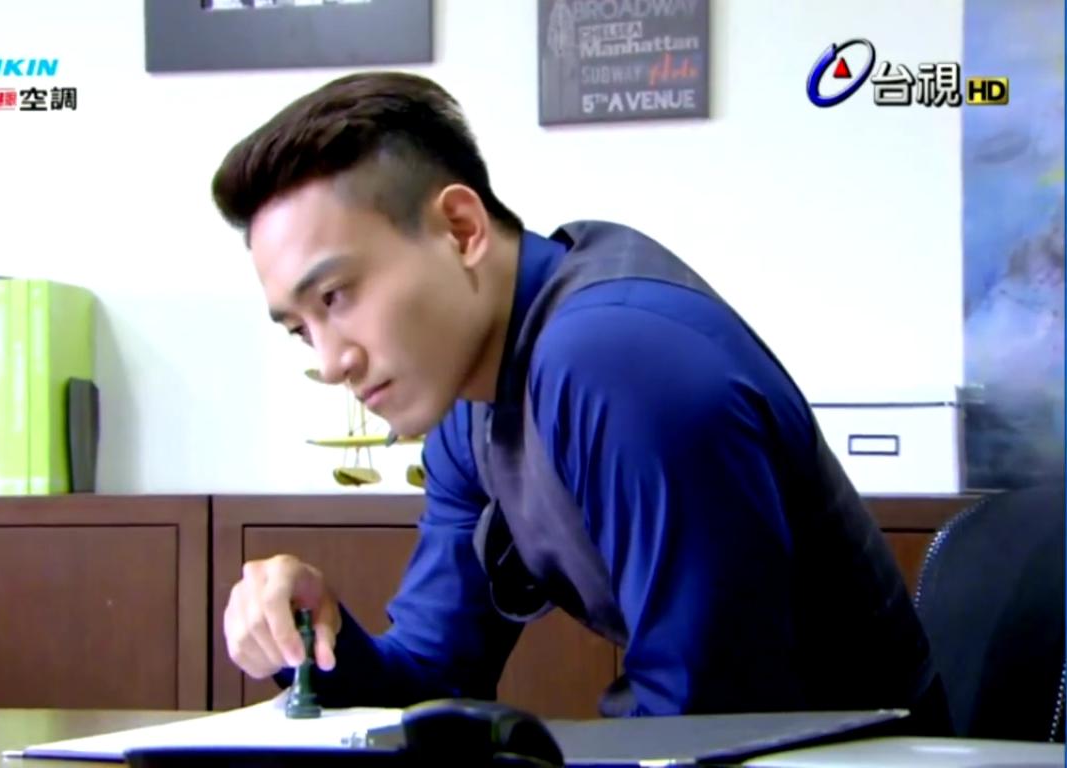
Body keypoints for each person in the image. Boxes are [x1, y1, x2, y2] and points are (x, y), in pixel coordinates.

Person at [208, 70, 950, 729]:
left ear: (460, 230)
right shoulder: (466, 411)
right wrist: (314, 638)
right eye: (300, 330)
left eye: (337, 296)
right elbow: (435, 675)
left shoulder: (612, 358)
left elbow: (703, 722)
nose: (331, 362)